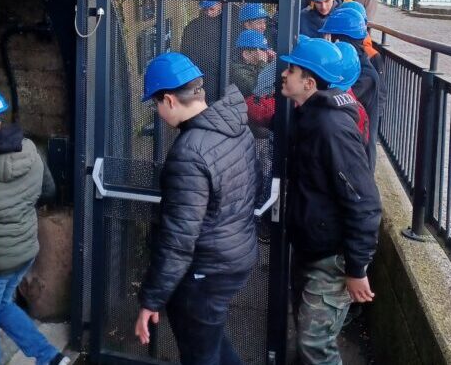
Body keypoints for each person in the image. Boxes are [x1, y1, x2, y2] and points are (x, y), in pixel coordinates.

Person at [134, 52, 260, 365]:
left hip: (207, 270)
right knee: (212, 341)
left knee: (199, 353)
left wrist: (151, 300)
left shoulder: (189, 153)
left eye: (156, 105)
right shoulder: (235, 126)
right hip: (236, 254)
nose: (157, 113)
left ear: (170, 100)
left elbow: (178, 240)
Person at [278, 39, 381, 365]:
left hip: (331, 256)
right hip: (314, 246)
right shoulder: (309, 115)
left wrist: (356, 268)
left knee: (314, 346)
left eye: (291, 70)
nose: (283, 74)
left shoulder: (330, 127)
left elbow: (364, 203)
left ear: (309, 83)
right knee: (309, 337)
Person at [0, 87, 69, 365]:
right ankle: (51, 358)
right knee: (2, 307)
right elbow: (48, 190)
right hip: (25, 251)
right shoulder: (30, 150)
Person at [319, 7, 381, 171]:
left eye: (329, 36)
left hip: (358, 154)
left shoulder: (364, 75)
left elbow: (336, 99)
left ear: (339, 40)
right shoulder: (353, 65)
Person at [181, 0, 223, 104]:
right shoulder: (192, 27)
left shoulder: (229, 23)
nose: (208, 13)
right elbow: (186, 52)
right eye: (205, 10)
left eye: (211, 9)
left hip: (221, 74)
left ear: (220, 4)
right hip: (200, 74)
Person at [232, 29, 275, 98]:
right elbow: (258, 90)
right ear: (246, 54)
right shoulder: (238, 71)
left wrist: (273, 63)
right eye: (262, 50)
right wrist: (263, 63)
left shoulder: (255, 66)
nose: (266, 53)